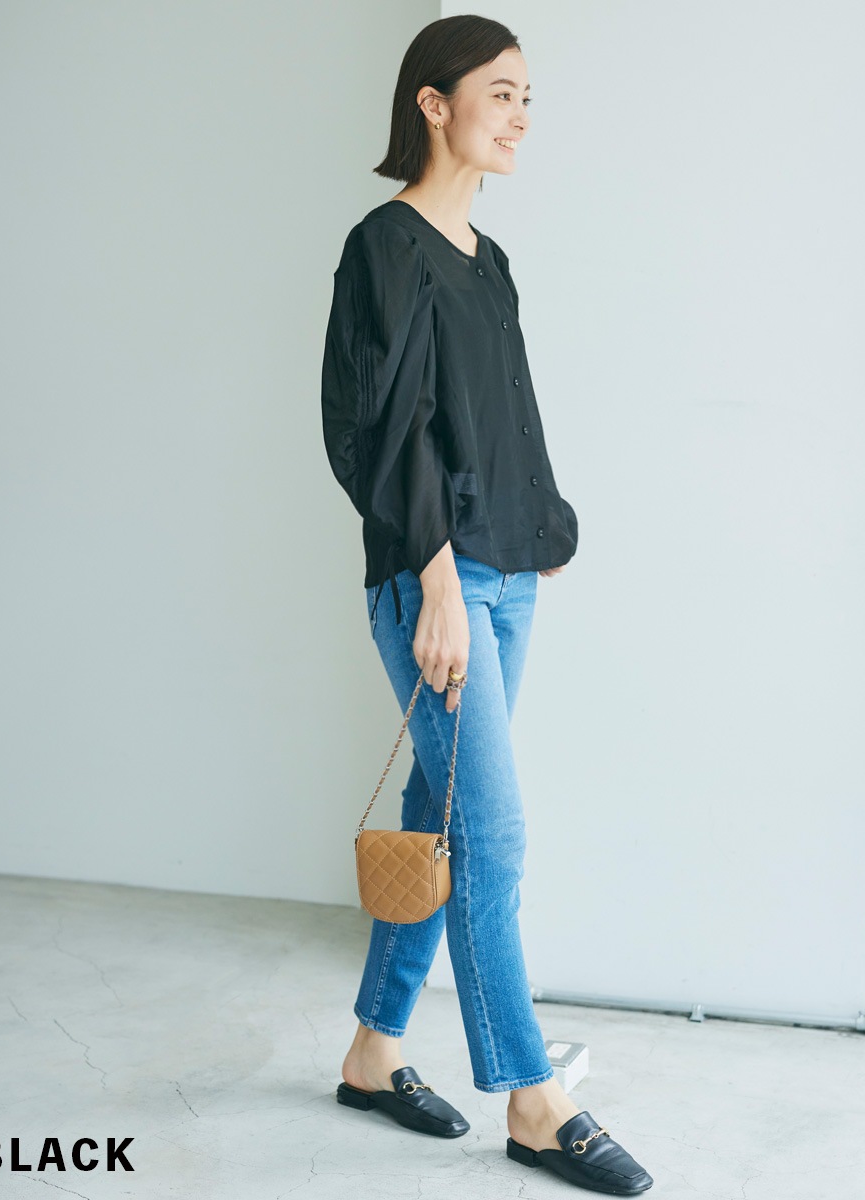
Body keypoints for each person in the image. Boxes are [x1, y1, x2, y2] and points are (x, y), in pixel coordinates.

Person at [320, 14, 653, 1196]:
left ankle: (372, 1052)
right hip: (439, 582)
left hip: (504, 577)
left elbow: (505, 407)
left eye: (527, 98)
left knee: (439, 811)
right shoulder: (384, 245)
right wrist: (438, 585)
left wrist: (539, 530)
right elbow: (376, 432)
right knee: (491, 836)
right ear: (433, 101)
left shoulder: (487, 258)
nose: (518, 116)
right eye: (499, 93)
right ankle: (532, 1099)